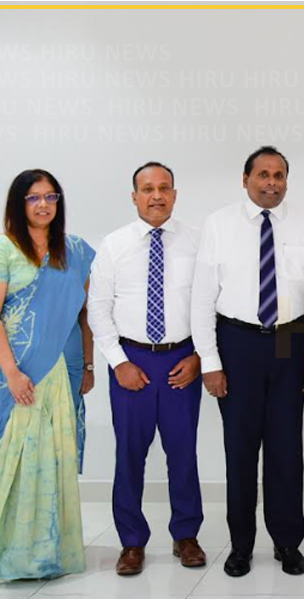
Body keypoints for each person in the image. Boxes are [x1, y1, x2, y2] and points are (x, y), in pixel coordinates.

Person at [192, 146, 304, 578]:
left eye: (279, 175)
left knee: (287, 449)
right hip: (238, 342)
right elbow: (202, 297)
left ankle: (288, 542)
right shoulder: (219, 224)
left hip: (291, 340)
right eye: (263, 174)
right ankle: (241, 545)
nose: (271, 182)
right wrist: (210, 361)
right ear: (245, 179)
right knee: (241, 449)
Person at [0, 169, 96, 580]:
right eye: (34, 197)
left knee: (56, 455)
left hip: (65, 364)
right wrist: (12, 373)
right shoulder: (1, 249)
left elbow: (86, 313)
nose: (43, 204)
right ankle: (15, 554)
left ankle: (52, 550)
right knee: (21, 455)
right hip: (20, 368)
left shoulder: (74, 250)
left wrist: (89, 364)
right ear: (19, 203)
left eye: (50, 196)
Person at [88, 162, 205, 577]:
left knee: (183, 452)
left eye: (164, 188)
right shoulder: (114, 245)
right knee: (129, 455)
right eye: (148, 189)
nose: (157, 196)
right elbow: (98, 309)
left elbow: (211, 303)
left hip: (182, 361)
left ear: (175, 194)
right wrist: (118, 363)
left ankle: (186, 535)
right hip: (131, 362)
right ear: (134, 196)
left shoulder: (197, 242)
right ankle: (132, 541)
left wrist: (200, 357)